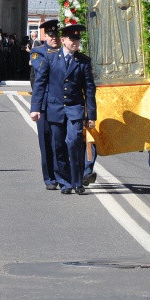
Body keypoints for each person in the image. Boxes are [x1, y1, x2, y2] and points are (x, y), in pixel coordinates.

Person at [29, 24, 97, 194]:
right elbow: (40, 84)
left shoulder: (83, 61)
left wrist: (91, 114)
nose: (76, 42)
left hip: (75, 109)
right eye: (72, 39)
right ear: (64, 40)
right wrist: (35, 108)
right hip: (54, 109)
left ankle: (77, 181)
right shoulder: (50, 58)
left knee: (73, 142)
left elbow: (89, 88)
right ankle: (65, 182)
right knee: (57, 146)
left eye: (78, 39)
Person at [29, 20, 61, 190]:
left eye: (57, 35)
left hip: (62, 103)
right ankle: (49, 177)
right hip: (44, 103)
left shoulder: (65, 51)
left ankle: (63, 174)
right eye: (51, 35)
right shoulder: (37, 52)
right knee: (46, 141)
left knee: (62, 141)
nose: (54, 38)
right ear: (45, 36)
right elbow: (42, 71)